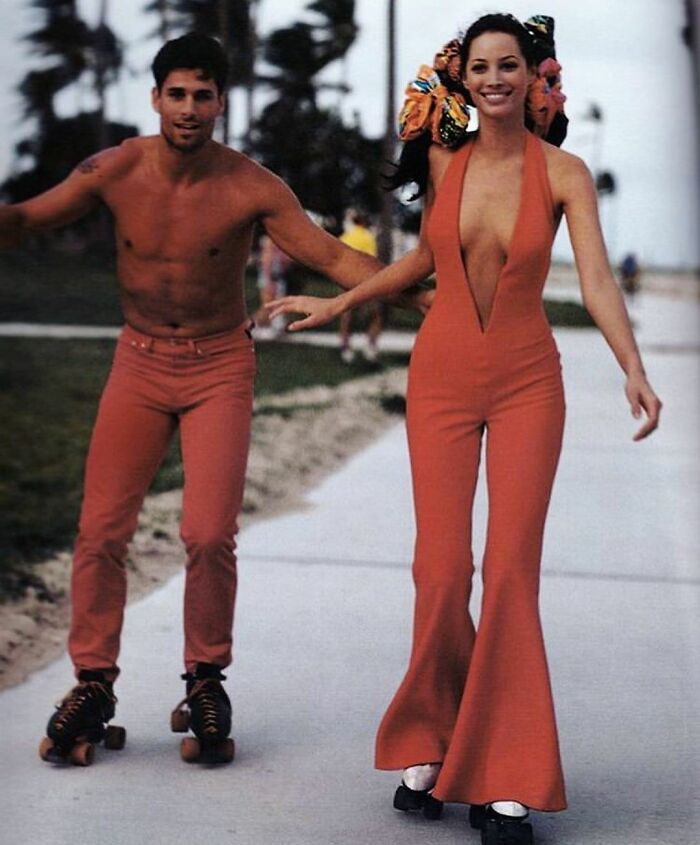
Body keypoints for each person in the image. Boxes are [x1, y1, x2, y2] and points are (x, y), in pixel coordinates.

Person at [267, 13, 661, 843]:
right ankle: (433, 739)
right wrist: (336, 300)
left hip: (527, 382)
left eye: (508, 65)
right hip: (440, 377)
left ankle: (508, 777)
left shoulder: (565, 172)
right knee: (441, 570)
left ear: (531, 74)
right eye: (479, 66)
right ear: (465, 78)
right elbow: (420, 265)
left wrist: (633, 365)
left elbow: (594, 279)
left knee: (510, 572)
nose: (494, 79)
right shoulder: (447, 167)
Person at [0, 33, 431, 765]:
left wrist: (425, 293)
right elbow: (28, 218)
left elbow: (329, 255)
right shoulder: (115, 167)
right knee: (101, 530)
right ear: (155, 96)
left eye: (204, 95)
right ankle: (92, 681)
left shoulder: (252, 186)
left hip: (219, 366)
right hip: (137, 361)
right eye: (178, 94)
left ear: (221, 103)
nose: (190, 109)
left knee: (207, 532)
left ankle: (205, 676)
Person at [337, 211, 383, 363]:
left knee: (346, 315)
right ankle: (370, 346)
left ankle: (345, 348)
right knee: (375, 314)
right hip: (363, 280)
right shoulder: (368, 237)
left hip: (345, 280)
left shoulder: (346, 236)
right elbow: (371, 260)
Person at [253, 233, 294, 335]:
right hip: (270, 275)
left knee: (277, 303)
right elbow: (266, 259)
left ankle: (276, 325)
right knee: (267, 305)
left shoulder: (281, 240)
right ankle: (250, 327)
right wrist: (269, 278)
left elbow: (286, 260)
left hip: (277, 276)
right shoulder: (270, 241)